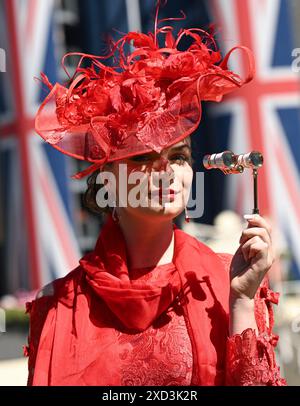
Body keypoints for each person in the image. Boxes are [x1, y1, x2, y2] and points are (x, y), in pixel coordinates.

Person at [25, 2, 286, 386]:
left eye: (179, 156)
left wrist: (242, 304)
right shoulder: (57, 301)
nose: (167, 171)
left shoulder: (232, 283)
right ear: (109, 176)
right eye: (145, 156)